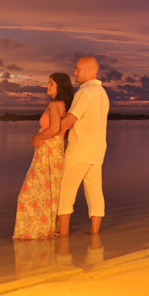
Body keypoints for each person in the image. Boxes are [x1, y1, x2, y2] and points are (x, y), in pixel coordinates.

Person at [12, 73, 72, 239]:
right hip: (55, 152)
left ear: (59, 86)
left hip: (49, 152)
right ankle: (46, 230)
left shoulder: (54, 104)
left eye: (51, 83)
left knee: (28, 194)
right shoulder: (63, 104)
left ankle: (34, 232)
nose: (47, 86)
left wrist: (37, 137)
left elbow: (54, 129)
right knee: (48, 192)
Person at [55, 56, 110, 236]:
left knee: (66, 194)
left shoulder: (85, 92)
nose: (75, 72)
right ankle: (94, 235)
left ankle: (63, 238)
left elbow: (70, 120)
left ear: (89, 70)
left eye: (78, 69)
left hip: (80, 149)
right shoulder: (102, 93)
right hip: (97, 150)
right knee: (95, 192)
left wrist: (47, 135)